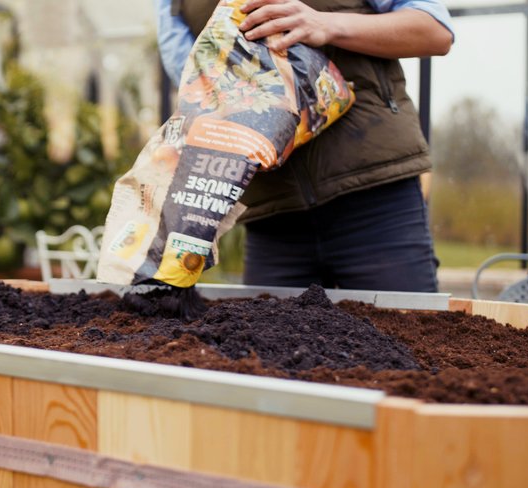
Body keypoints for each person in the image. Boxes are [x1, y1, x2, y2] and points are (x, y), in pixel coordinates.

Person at [155, 0, 454, 292]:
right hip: (271, 218)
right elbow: (191, 76)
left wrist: (326, 24)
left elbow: (434, 29)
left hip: (375, 200)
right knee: (265, 340)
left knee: (406, 337)